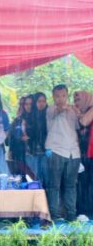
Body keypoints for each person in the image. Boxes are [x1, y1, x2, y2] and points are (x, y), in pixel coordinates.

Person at [45, 84, 81, 222]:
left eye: (63, 96)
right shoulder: (50, 109)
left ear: (67, 95)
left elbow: (78, 126)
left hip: (74, 152)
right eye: (57, 96)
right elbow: (59, 110)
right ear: (53, 97)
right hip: (56, 150)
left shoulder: (73, 110)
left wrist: (79, 112)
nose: (60, 99)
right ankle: (54, 215)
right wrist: (66, 107)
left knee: (71, 185)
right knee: (54, 185)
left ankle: (71, 215)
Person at [74, 90, 93, 219]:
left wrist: (78, 114)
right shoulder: (81, 112)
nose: (76, 103)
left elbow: (84, 122)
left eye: (78, 100)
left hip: (91, 153)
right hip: (83, 154)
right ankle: (83, 211)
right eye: (75, 100)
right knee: (82, 183)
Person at [25, 91, 49, 186]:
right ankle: (38, 199)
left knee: (47, 177)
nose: (41, 103)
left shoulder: (49, 115)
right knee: (35, 178)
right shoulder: (29, 116)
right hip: (33, 152)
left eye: (44, 101)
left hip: (46, 151)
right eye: (39, 101)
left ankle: (47, 199)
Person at [6, 95, 32, 176]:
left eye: (28, 104)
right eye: (21, 104)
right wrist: (10, 151)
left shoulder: (34, 118)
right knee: (19, 175)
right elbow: (11, 138)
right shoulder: (17, 120)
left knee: (31, 175)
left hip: (30, 153)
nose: (22, 107)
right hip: (17, 153)